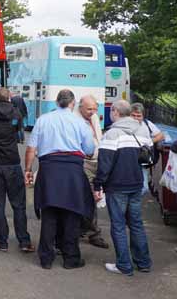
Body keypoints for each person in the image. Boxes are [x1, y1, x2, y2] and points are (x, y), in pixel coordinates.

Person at [24, 89, 95, 270]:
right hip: (72, 171)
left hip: (49, 169)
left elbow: (31, 148)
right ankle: (71, 258)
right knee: (72, 215)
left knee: (49, 215)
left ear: (56, 102)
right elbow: (89, 150)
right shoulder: (80, 123)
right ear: (72, 104)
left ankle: (46, 259)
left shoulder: (42, 120)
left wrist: (28, 170)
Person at [93, 100, 153, 275]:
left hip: (117, 186)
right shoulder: (142, 130)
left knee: (118, 225)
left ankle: (124, 265)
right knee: (136, 224)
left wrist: (98, 185)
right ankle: (143, 263)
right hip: (136, 184)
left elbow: (104, 164)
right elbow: (150, 157)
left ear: (114, 112)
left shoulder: (112, 134)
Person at [0, 87, 34, 253]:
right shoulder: (16, 114)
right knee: (19, 205)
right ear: (9, 98)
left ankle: (2, 241)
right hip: (13, 162)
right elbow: (17, 131)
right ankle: (24, 241)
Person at [74, 95, 109, 249]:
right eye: (89, 109)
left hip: (96, 160)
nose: (93, 112)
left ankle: (84, 229)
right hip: (83, 162)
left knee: (91, 197)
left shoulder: (93, 117)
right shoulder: (74, 119)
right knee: (89, 197)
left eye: (95, 108)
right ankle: (93, 233)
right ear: (80, 106)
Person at [130, 103, 165, 194]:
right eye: (133, 115)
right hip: (128, 158)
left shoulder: (147, 123)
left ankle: (133, 201)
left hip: (142, 158)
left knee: (144, 187)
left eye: (139, 116)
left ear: (143, 116)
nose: (136, 118)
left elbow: (161, 135)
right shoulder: (124, 124)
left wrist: (149, 141)